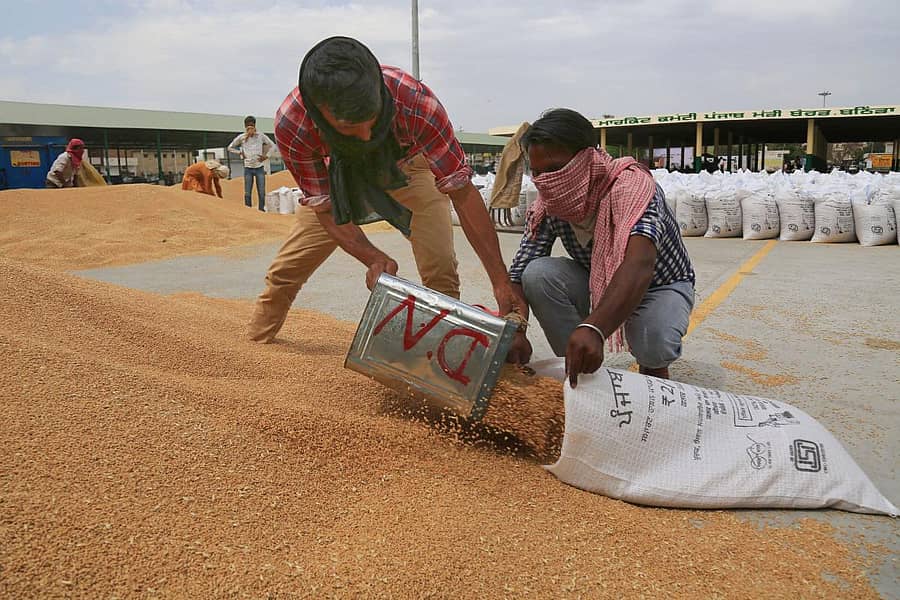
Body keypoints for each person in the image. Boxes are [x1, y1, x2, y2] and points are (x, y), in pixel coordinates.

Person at [247, 36, 519, 342]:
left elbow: (462, 191)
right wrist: (372, 257)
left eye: (373, 121)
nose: (365, 137)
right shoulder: (294, 123)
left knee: (440, 270)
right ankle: (258, 347)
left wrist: (500, 279)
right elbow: (324, 208)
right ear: (318, 112)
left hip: (408, 169)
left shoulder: (415, 101)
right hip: (337, 177)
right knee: (286, 271)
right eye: (349, 128)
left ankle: (440, 361)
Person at [505, 109, 696, 385]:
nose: (546, 181)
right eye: (537, 172)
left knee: (651, 338)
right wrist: (516, 328)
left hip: (659, 286)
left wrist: (593, 327)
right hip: (598, 285)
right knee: (537, 274)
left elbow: (639, 264)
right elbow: (520, 272)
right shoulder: (549, 204)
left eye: (556, 169)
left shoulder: (633, 188)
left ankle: (655, 380)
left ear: (587, 159)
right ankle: (582, 373)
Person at [228, 116, 275, 211]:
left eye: (252, 125)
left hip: (259, 168)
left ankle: (261, 210)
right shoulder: (241, 137)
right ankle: (248, 211)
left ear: (255, 125)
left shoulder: (261, 136)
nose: (250, 127)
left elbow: (273, 145)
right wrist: (240, 153)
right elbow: (230, 147)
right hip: (248, 168)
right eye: (248, 126)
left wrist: (266, 156)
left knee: (261, 192)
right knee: (247, 193)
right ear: (245, 126)